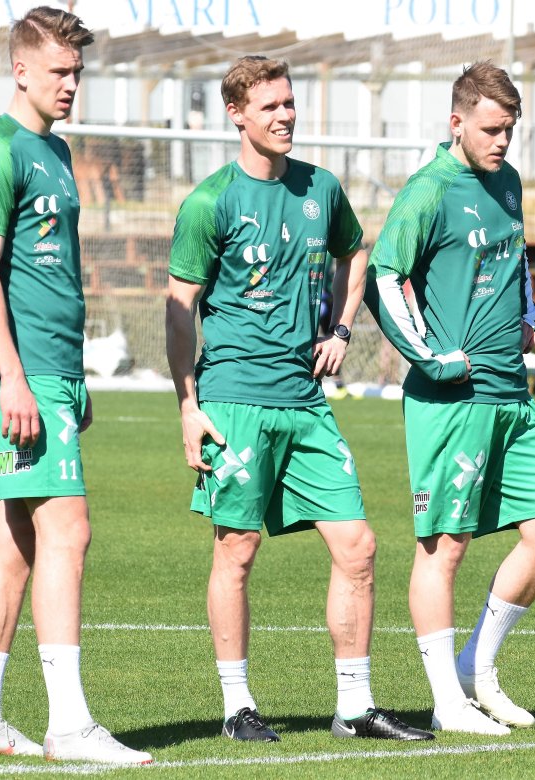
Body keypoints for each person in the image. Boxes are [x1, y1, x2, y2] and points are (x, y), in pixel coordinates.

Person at [165, 55, 433, 743]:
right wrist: (188, 406)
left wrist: (341, 328)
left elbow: (356, 253)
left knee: (359, 546)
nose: (285, 115)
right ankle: (237, 706)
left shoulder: (321, 188)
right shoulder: (210, 202)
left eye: (289, 103)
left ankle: (354, 707)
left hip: (306, 403)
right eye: (270, 106)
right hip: (235, 401)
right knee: (238, 548)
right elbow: (179, 307)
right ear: (236, 115)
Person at [0, 7, 152, 765]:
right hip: (22, 371)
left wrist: (71, 377)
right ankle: (69, 725)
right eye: (59, 71)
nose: (71, 84)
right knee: (69, 530)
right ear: (21, 70)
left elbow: (55, 273)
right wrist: (14, 378)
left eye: (77, 72)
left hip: (52, 371)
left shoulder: (57, 151)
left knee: (17, 542)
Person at [365, 61, 535, 736]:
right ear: (456, 122)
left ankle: (473, 668)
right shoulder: (428, 191)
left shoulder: (507, 181)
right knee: (444, 548)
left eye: (509, 129)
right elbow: (383, 277)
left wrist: (528, 314)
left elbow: (516, 257)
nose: (502, 141)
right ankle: (446, 703)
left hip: (513, 395)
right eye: (491, 129)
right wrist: (433, 356)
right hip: (452, 401)